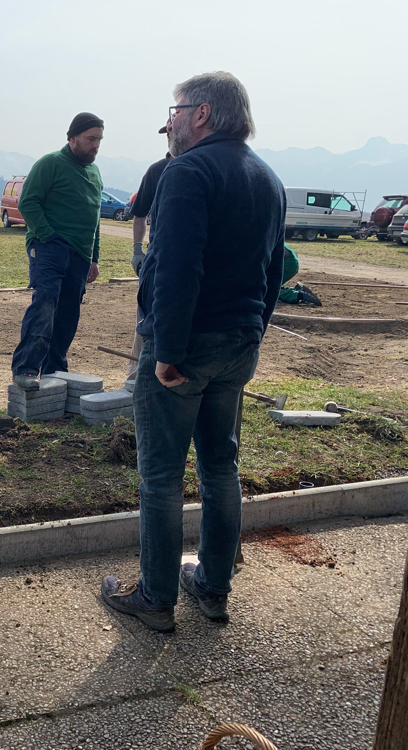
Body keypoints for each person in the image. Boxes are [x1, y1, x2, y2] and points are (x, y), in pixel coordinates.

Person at [101, 72, 286, 631]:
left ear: (201, 113)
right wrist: (255, 332)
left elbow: (177, 268)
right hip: (239, 343)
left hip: (187, 346)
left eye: (175, 111)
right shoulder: (268, 177)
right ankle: (212, 586)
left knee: (160, 475)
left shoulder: (187, 171)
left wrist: (167, 351)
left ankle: (155, 597)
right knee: (220, 467)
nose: (170, 124)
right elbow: (273, 271)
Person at [11, 112, 105, 391]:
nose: (95, 145)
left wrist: (94, 258)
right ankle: (26, 368)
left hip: (81, 254)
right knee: (46, 304)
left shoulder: (95, 173)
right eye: (90, 139)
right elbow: (28, 202)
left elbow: (95, 217)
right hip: (49, 248)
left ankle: (55, 371)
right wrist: (48, 236)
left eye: (99, 140)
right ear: (72, 137)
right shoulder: (50, 163)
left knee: (68, 315)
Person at [126, 121, 174, 380]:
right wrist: (137, 249)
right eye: (167, 133)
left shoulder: (199, 168)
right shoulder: (157, 171)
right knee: (145, 320)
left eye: (173, 131)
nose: (170, 137)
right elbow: (139, 214)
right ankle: (134, 377)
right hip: (156, 259)